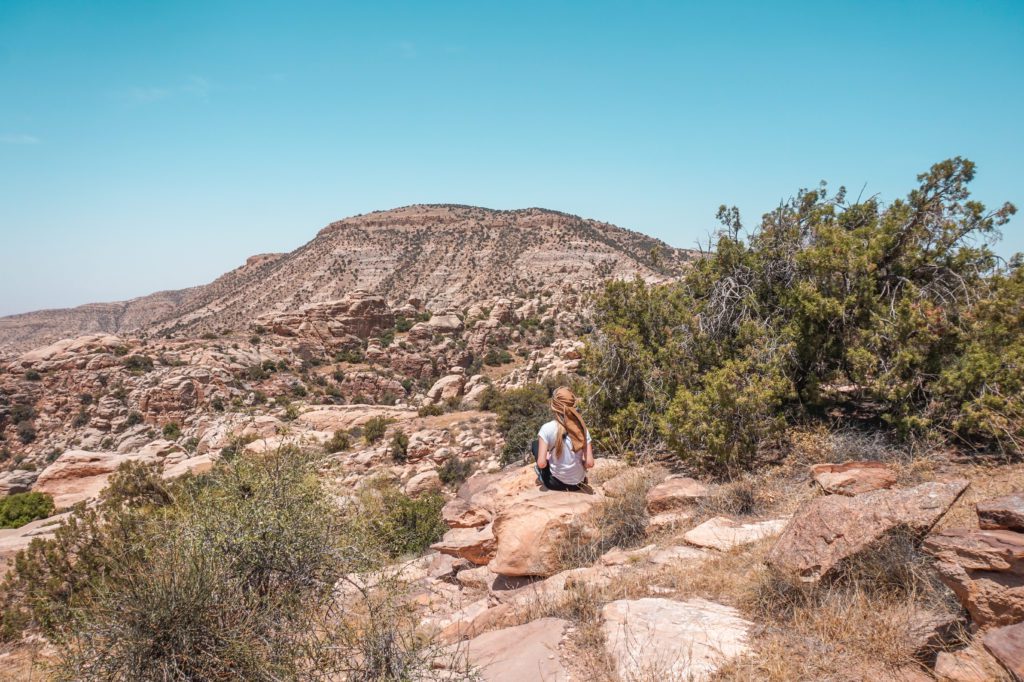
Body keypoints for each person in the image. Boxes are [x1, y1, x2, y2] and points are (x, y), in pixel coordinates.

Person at [532, 386, 594, 491]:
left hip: (554, 484)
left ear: (554, 405)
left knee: (535, 444)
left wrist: (547, 459)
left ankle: (541, 477)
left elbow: (542, 464)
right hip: (578, 484)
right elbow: (590, 463)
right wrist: (580, 464)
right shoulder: (583, 429)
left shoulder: (547, 428)